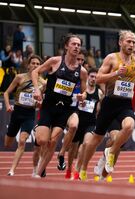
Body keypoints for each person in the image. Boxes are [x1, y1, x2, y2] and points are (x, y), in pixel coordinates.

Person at [79, 30, 135, 181]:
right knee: (96, 139)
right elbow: (98, 79)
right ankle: (83, 168)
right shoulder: (111, 58)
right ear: (120, 42)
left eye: (133, 42)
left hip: (125, 103)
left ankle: (110, 153)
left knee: (129, 126)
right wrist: (115, 74)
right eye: (128, 41)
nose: (131, 44)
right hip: (109, 103)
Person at [31, 34, 88, 178]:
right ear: (66, 46)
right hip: (48, 107)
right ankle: (39, 130)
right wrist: (37, 89)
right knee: (42, 140)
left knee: (52, 142)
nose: (76, 47)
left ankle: (38, 173)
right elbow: (35, 72)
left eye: (78, 45)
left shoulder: (82, 72)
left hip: (64, 109)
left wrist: (83, 97)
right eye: (73, 44)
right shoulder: (55, 61)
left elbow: (85, 91)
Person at [93, 43, 135, 180]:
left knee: (119, 144)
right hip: (113, 107)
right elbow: (102, 81)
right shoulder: (118, 65)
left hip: (128, 109)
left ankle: (103, 173)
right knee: (114, 140)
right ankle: (106, 156)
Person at [3, 55, 46, 176]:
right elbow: (6, 93)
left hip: (29, 114)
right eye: (33, 63)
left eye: (38, 64)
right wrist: (7, 106)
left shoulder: (43, 83)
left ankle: (12, 170)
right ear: (28, 65)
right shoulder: (19, 78)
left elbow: (42, 101)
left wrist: (39, 102)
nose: (35, 66)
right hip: (17, 112)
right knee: (7, 144)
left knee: (22, 141)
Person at [65, 68, 103, 179]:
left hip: (90, 123)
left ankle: (77, 170)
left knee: (86, 145)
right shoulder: (81, 90)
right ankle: (68, 168)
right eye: (91, 76)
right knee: (73, 149)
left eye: (96, 77)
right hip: (77, 122)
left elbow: (99, 109)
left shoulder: (99, 93)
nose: (93, 79)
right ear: (87, 77)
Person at [56, 50, 86, 172]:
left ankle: (61, 154)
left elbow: (85, 94)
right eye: (77, 59)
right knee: (49, 140)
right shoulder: (63, 69)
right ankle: (42, 164)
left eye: (82, 60)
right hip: (56, 106)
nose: (79, 62)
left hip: (73, 108)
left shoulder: (83, 74)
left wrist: (83, 98)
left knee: (73, 126)